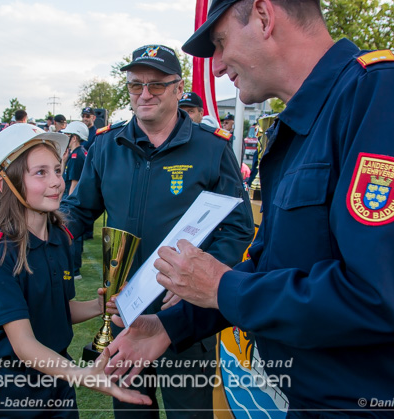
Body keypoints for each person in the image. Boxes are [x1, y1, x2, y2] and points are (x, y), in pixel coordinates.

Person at [106, 0, 394, 416]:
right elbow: (274, 266)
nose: (214, 67)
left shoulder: (384, 94)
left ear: (264, 16)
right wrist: (172, 326)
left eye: (220, 42)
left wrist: (222, 288)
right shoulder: (308, 122)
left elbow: (387, 295)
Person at [61, 44, 254, 419]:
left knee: (190, 413)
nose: (144, 94)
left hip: (183, 311)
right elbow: (79, 210)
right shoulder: (106, 143)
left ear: (178, 88)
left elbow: (237, 225)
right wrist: (41, 234)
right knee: (132, 411)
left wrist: (200, 277)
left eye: (156, 85)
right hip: (123, 311)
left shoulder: (210, 149)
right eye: (135, 86)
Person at [0, 123, 150, 417]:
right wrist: (84, 375)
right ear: (6, 185)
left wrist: (98, 306)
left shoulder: (60, 238)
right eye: (40, 172)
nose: (57, 181)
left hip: (58, 382)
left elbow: (59, 309)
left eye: (57, 170)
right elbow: (24, 344)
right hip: (11, 391)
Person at [60, 121, 89, 281]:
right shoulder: (75, 154)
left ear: (75, 137)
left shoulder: (77, 156)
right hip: (70, 198)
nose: (65, 137)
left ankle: (74, 269)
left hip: (71, 200)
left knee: (73, 236)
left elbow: (74, 183)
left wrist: (68, 205)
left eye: (68, 135)